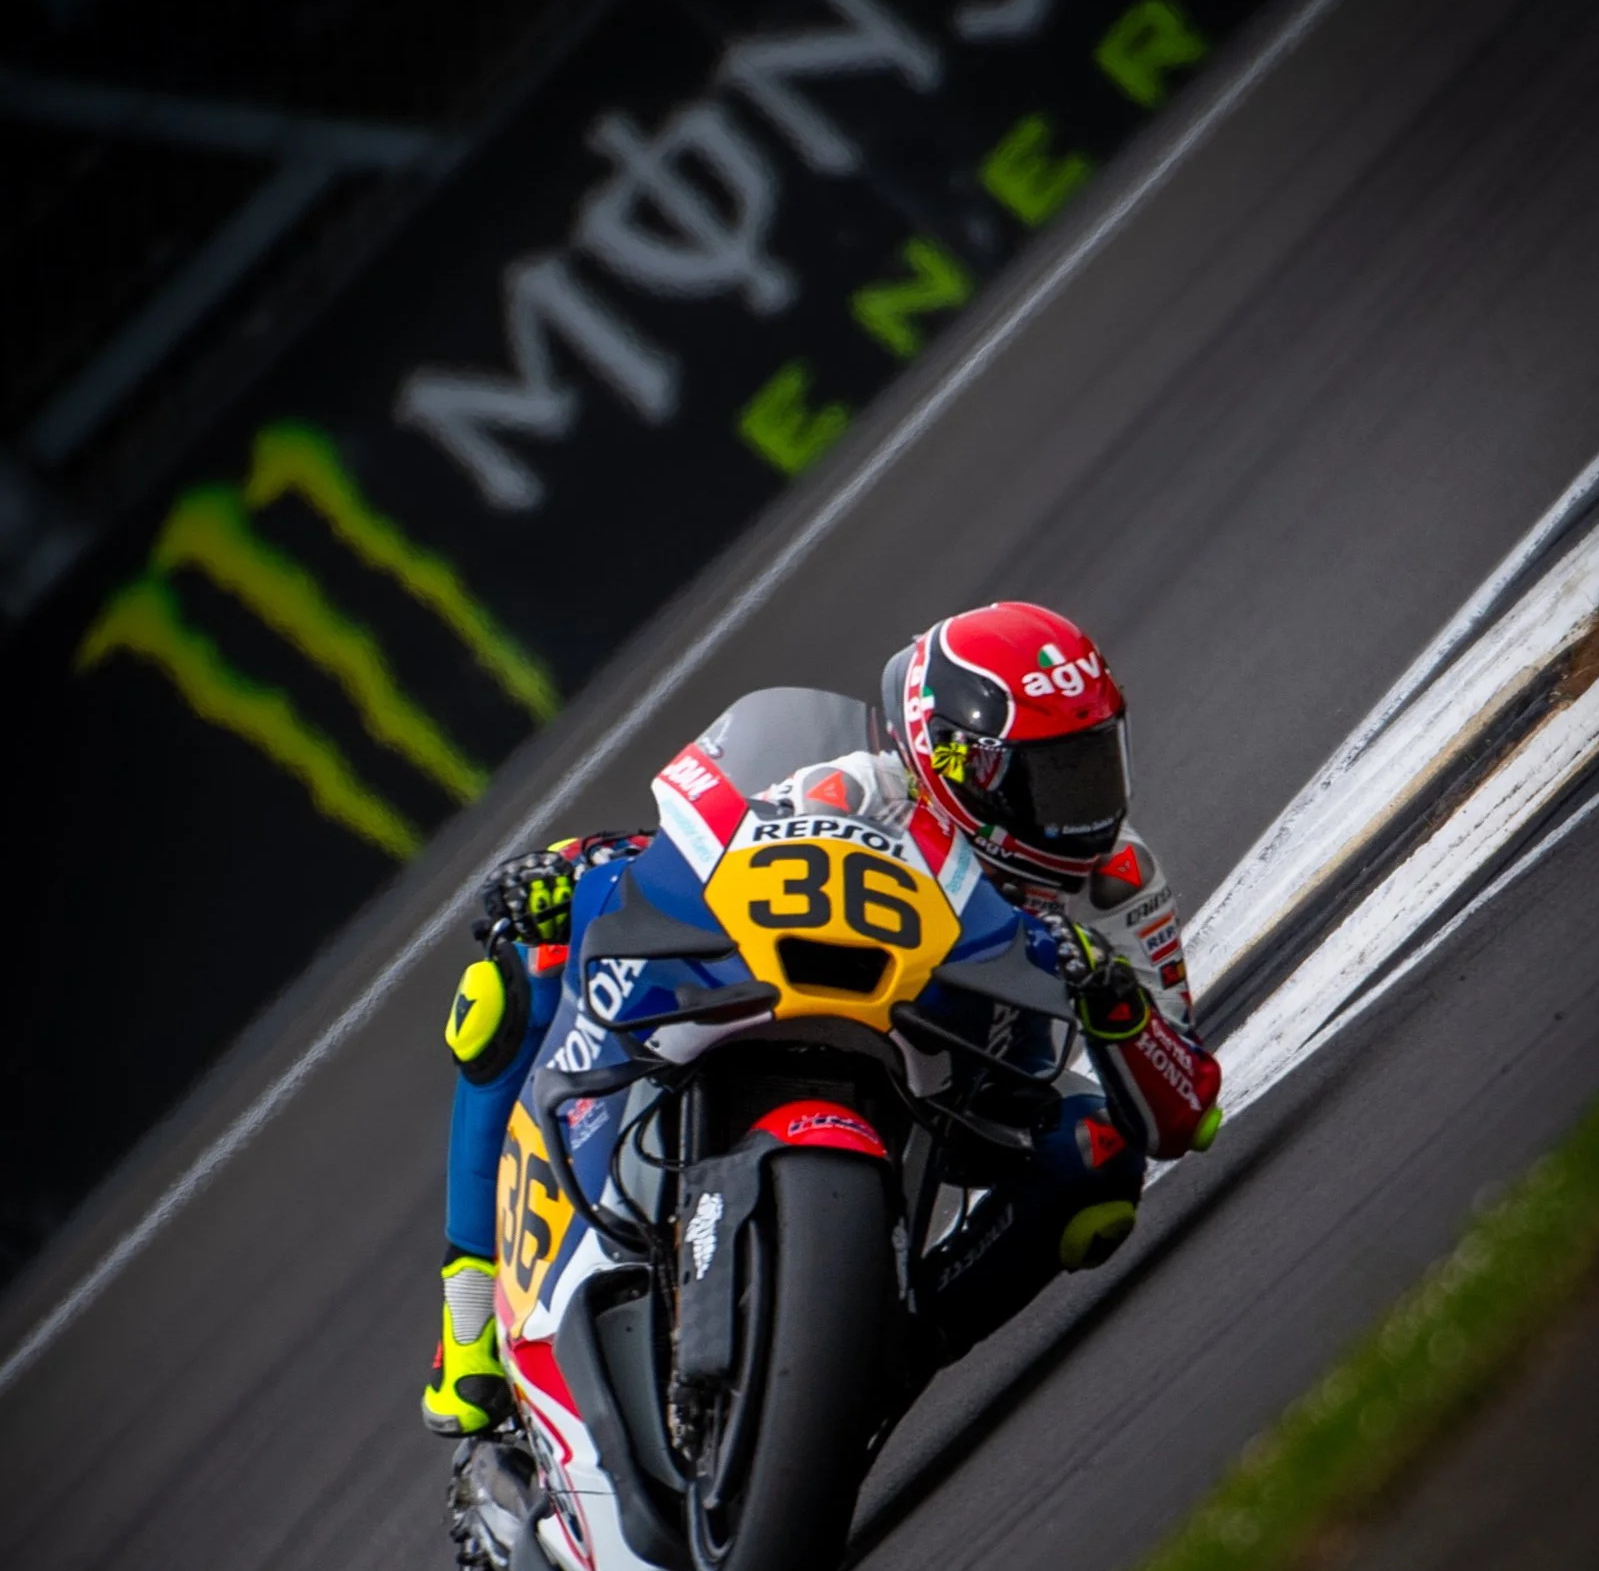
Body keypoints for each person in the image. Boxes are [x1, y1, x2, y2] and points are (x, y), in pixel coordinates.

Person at [422, 600, 1222, 1437]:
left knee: (1097, 1159)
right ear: (961, 769)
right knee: (516, 971)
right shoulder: (860, 790)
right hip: (811, 1008)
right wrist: (580, 864)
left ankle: (886, 1360)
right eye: (1053, 777)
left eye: (1094, 762)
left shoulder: (1119, 884)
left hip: (977, 1090)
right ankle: (466, 1319)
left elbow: (1183, 1110)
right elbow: (704, 853)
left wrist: (1113, 999)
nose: (1085, 808)